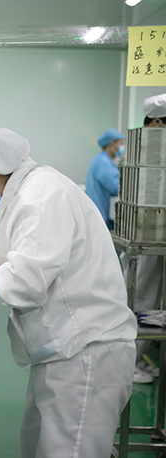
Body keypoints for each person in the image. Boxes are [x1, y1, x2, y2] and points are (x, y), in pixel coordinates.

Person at [0, 126, 137, 458]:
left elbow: (26, 282)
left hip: (87, 351)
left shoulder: (41, 196)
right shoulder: (27, 192)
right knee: (39, 444)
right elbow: (22, 261)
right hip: (63, 350)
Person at [120, 93, 166, 384]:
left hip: (159, 238)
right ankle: (128, 363)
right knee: (142, 296)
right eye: (156, 122)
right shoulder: (140, 153)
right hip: (143, 235)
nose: (159, 127)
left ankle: (142, 357)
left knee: (157, 305)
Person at [86, 128, 125, 230]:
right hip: (99, 215)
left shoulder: (101, 160)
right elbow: (117, 187)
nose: (122, 147)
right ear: (111, 145)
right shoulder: (103, 162)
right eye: (120, 143)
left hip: (97, 213)